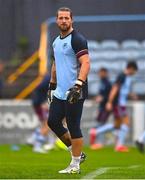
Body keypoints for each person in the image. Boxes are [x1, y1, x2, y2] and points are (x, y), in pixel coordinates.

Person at [47, 7, 90, 174]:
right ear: (57, 20)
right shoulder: (56, 41)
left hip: (75, 91)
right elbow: (55, 64)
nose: (64, 21)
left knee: (73, 126)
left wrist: (78, 85)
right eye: (61, 18)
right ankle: (77, 153)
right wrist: (51, 85)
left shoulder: (77, 39)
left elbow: (86, 63)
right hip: (59, 91)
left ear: (72, 20)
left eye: (67, 18)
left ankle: (75, 165)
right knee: (53, 122)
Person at [89, 61, 138, 152]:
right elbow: (114, 89)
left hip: (120, 103)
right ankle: (119, 145)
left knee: (117, 125)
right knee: (126, 123)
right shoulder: (122, 76)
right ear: (131, 68)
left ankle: (95, 132)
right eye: (134, 71)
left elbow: (122, 91)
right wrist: (110, 102)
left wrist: (131, 95)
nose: (134, 73)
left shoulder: (126, 77)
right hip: (119, 104)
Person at [27, 73, 56, 153]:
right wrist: (43, 102)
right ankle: (37, 145)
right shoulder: (50, 78)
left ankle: (33, 139)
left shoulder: (49, 77)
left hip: (38, 103)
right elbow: (40, 89)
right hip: (40, 103)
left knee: (44, 124)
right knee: (48, 124)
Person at [89, 68, 112, 150]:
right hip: (101, 107)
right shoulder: (102, 82)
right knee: (100, 123)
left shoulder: (108, 83)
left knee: (102, 124)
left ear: (105, 73)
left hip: (105, 107)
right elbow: (101, 94)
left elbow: (110, 95)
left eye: (101, 73)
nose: (99, 74)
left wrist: (103, 99)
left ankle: (100, 142)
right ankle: (102, 140)